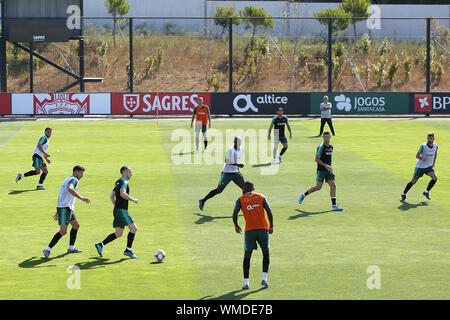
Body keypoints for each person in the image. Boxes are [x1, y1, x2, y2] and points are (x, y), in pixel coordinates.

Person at [43, 165, 90, 258]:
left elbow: (61, 195)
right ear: (76, 172)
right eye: (81, 173)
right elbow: (70, 188)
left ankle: (71, 248)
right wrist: (82, 198)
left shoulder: (67, 179)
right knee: (63, 231)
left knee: (76, 226)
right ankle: (48, 249)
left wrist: (57, 210)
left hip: (66, 207)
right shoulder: (74, 180)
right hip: (65, 208)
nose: (82, 176)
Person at [233, 181, 273, 290]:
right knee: (266, 253)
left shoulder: (240, 200)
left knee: (247, 256)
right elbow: (269, 211)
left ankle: (246, 283)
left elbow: (235, 213)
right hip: (263, 230)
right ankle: (264, 278)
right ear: (253, 188)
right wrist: (271, 226)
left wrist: (236, 225)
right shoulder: (261, 196)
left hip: (250, 231)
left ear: (244, 190)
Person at [95, 166, 139, 259]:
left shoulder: (118, 182)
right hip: (121, 211)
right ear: (125, 172)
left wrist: (117, 206)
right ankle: (128, 250)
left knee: (118, 233)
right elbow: (123, 194)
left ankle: (100, 244)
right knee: (134, 228)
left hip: (117, 211)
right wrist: (133, 200)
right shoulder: (124, 182)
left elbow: (111, 197)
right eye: (130, 172)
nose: (131, 174)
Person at [299, 132, 343, 211]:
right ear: (323, 137)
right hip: (321, 170)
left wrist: (329, 167)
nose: (326, 138)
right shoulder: (321, 147)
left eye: (328, 137)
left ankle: (334, 206)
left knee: (333, 186)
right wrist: (326, 166)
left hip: (328, 170)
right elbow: (316, 159)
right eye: (325, 137)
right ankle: (303, 195)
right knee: (318, 187)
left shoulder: (331, 147)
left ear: (330, 137)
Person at [199, 136, 245, 211]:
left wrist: (238, 169)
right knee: (219, 190)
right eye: (237, 142)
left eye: (239, 142)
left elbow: (237, 159)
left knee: (245, 187)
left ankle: (243, 206)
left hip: (236, 173)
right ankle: (202, 201)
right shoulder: (230, 150)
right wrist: (238, 165)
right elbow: (227, 161)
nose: (238, 144)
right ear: (234, 142)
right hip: (227, 173)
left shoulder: (242, 150)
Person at [401, 133, 438, 201]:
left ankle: (426, 192)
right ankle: (403, 194)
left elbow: (435, 154)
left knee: (435, 178)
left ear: (434, 139)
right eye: (428, 138)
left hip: (428, 166)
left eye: (431, 138)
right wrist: (422, 158)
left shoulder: (436, 146)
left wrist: (433, 163)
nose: (429, 140)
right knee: (413, 181)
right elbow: (417, 156)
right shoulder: (423, 146)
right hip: (420, 167)